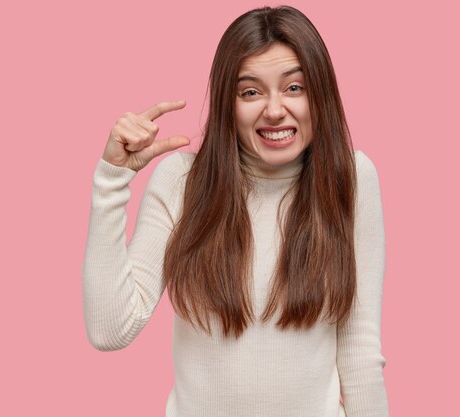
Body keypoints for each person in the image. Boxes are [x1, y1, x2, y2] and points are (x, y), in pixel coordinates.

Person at [82, 5, 390, 417]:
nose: (275, 109)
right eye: (250, 91)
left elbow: (360, 352)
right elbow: (111, 329)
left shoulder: (351, 179)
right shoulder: (182, 181)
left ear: (321, 94)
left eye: (294, 87)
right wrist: (112, 180)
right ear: (228, 103)